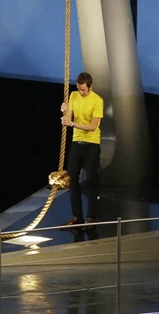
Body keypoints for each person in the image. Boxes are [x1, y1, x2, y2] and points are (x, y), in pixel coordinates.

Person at [61, 71, 104, 226]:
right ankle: (76, 216)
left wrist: (73, 124)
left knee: (91, 180)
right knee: (72, 179)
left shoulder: (97, 100)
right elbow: (68, 117)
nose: (81, 92)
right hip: (76, 142)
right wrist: (65, 111)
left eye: (84, 90)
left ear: (90, 87)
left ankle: (91, 217)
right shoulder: (73, 95)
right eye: (79, 89)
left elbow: (93, 126)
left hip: (91, 144)